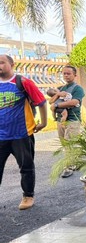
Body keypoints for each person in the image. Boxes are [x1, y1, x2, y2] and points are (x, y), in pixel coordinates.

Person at [0, 54, 47, 210]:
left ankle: (28, 195)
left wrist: (44, 122)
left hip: (21, 134)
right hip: (1, 136)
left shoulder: (23, 82)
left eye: (2, 62)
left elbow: (41, 102)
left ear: (12, 64)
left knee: (26, 167)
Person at [51, 66, 85, 178]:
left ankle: (69, 167)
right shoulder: (60, 88)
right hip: (60, 120)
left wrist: (57, 105)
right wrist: (56, 97)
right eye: (64, 73)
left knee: (70, 144)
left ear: (75, 75)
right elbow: (51, 101)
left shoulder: (78, 89)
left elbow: (74, 102)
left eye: (68, 73)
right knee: (65, 144)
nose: (66, 75)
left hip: (72, 120)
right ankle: (76, 162)